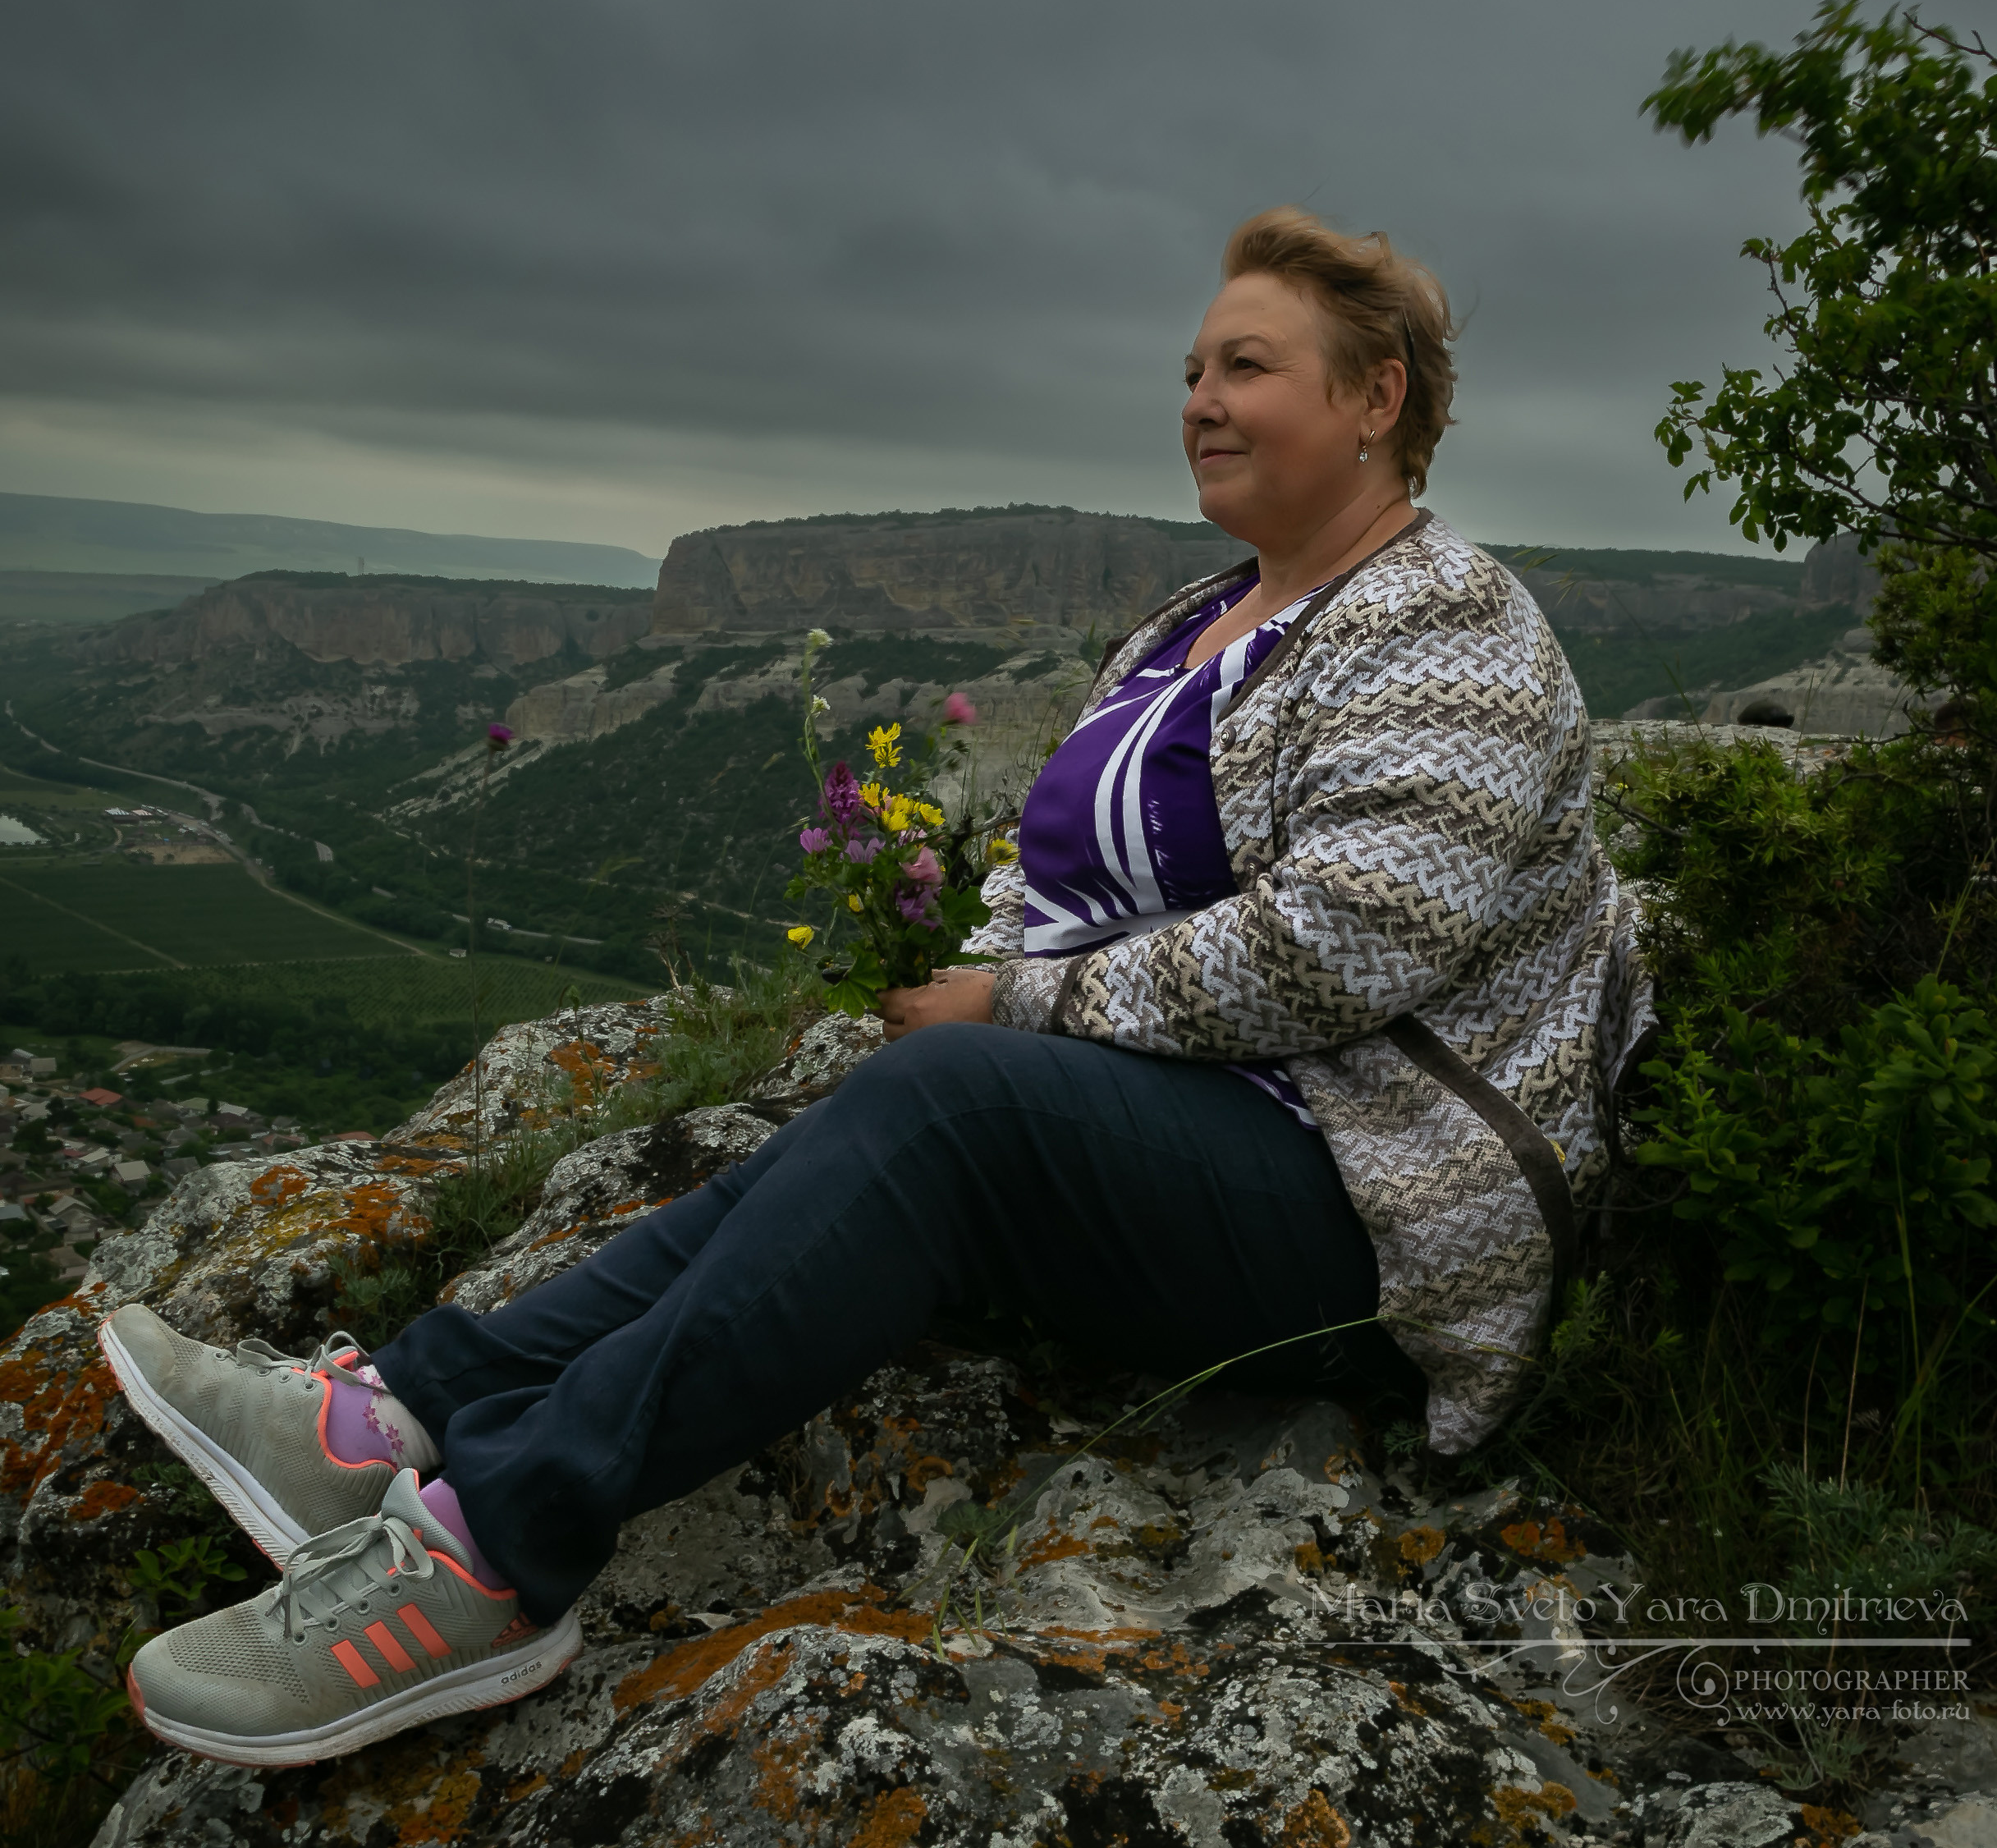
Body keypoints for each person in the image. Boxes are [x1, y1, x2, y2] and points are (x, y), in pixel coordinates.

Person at [99, 206, 1650, 1766]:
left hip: (1362, 1221)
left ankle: (492, 1559)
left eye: (1245, 365)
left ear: (1377, 399)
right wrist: (986, 957)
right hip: (1177, 1136)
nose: (1197, 398)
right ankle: (383, 1423)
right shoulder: (1196, 623)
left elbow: (1347, 940)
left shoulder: (1450, 623)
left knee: (946, 1105)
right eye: (1190, 367)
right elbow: (1059, 865)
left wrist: (1022, 1010)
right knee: (863, 1129)